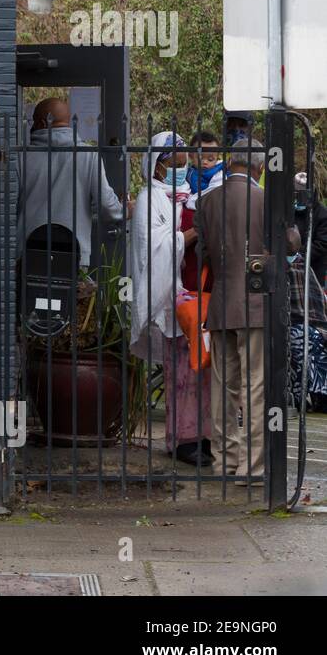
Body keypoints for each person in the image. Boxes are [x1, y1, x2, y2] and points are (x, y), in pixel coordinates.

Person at [130, 132, 211, 466]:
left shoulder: (187, 197)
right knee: (180, 377)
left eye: (183, 163)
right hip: (168, 298)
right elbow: (155, 249)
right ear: (158, 167)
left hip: (192, 297)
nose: (180, 169)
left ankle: (203, 436)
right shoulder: (150, 199)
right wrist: (190, 234)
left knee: (198, 373)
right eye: (173, 164)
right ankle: (182, 439)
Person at [194, 139, 268, 478]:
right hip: (255, 302)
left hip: (221, 304)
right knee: (255, 385)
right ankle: (250, 466)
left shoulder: (207, 201)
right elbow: (289, 241)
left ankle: (223, 460)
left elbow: (203, 253)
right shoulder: (265, 200)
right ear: (260, 166)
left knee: (223, 386)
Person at [18, 97, 126, 269]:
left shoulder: (20, 158)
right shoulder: (88, 155)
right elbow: (107, 207)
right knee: (68, 296)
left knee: (29, 295)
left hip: (28, 254)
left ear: (40, 123)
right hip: (72, 256)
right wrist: (125, 209)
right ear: (68, 122)